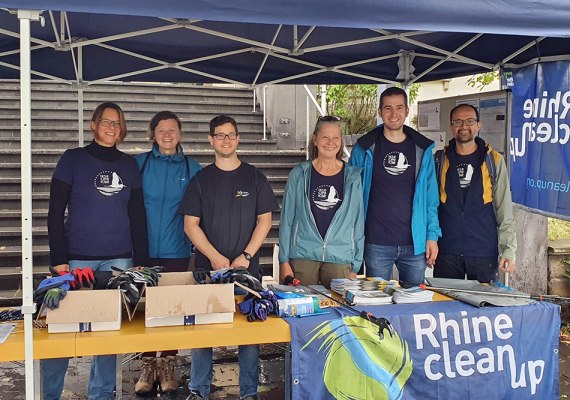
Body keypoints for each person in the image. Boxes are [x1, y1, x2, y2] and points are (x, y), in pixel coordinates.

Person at [45, 102, 148, 400]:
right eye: (106, 121)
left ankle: (101, 394)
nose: (112, 127)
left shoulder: (129, 165)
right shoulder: (72, 159)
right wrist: (58, 259)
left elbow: (137, 214)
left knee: (107, 333)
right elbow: (54, 212)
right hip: (77, 260)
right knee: (63, 331)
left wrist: (140, 260)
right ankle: (49, 394)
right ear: (93, 124)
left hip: (119, 260)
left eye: (117, 123)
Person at [179, 114, 278, 400]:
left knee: (249, 332)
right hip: (209, 270)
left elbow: (265, 220)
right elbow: (190, 225)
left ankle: (249, 391)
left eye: (230, 134)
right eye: (220, 135)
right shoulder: (201, 180)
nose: (225, 140)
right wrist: (214, 257)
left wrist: (246, 256)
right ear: (211, 140)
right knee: (204, 330)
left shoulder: (255, 177)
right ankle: (199, 389)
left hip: (248, 271)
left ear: (238, 139)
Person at [134, 111, 201, 394]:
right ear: (153, 133)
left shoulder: (191, 167)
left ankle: (168, 363)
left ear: (180, 133)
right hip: (142, 249)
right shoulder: (139, 163)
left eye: (172, 129)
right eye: (161, 130)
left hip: (176, 249)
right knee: (147, 307)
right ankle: (148, 365)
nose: (167, 134)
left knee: (172, 307)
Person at [348, 87, 440, 286]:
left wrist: (432, 236)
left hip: (414, 244)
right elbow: (351, 197)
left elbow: (431, 199)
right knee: (378, 305)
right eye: (387, 108)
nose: (393, 114)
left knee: (414, 305)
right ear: (380, 111)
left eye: (399, 107)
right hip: (375, 242)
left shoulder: (422, 150)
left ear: (407, 110)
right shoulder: (364, 148)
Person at [278, 116, 364, 288]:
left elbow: (358, 221)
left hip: (340, 257)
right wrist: (284, 260)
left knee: (339, 312)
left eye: (336, 137)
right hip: (303, 254)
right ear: (315, 139)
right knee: (300, 309)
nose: (330, 142)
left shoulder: (352, 177)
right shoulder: (299, 174)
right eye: (325, 137)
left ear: (341, 141)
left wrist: (356, 264)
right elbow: (287, 220)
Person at [434, 104, 516, 282]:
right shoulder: (440, 159)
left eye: (470, 121)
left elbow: (504, 208)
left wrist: (508, 249)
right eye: (458, 121)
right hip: (447, 250)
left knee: (484, 307)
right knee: (446, 306)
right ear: (451, 127)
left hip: (483, 251)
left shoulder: (493, 160)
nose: (464, 126)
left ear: (478, 125)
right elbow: (431, 206)